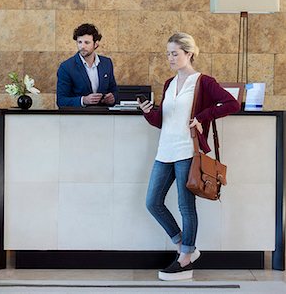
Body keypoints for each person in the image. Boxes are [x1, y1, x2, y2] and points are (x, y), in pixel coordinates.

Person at [137, 32, 240, 281]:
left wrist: (202, 117)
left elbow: (232, 103)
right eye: (168, 54)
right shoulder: (169, 83)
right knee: (152, 202)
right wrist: (147, 112)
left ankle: (184, 259)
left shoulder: (203, 81)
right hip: (165, 151)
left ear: (189, 54)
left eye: (175, 53)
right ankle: (186, 245)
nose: (170, 58)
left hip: (187, 151)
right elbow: (164, 120)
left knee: (186, 206)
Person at [56, 23, 118, 108]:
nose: (82, 46)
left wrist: (112, 99)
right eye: (79, 42)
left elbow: (114, 91)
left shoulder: (107, 63)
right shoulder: (66, 67)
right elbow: (61, 101)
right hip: (77, 118)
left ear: (96, 44)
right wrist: (83, 100)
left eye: (87, 42)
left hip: (103, 117)